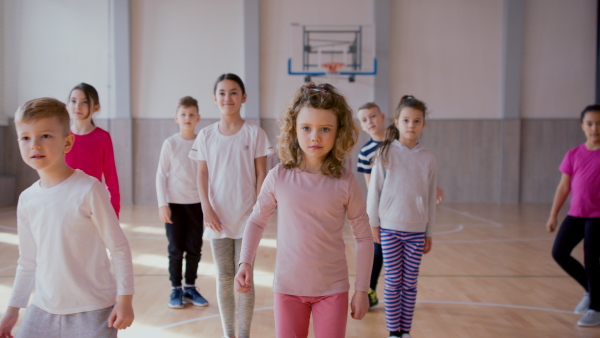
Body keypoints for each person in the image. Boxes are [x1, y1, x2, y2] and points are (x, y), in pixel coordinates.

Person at [235, 83, 374, 338]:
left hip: (333, 290)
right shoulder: (278, 177)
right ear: (294, 129)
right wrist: (245, 261)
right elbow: (256, 221)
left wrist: (362, 290)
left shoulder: (346, 182)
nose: (315, 137)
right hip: (287, 289)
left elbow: (364, 237)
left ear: (338, 132)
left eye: (325, 129)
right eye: (306, 128)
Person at [0, 98, 134, 338]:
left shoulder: (88, 189)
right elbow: (27, 261)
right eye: (25, 137)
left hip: (94, 311)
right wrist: (12, 310)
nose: (35, 145)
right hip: (42, 310)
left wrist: (124, 300)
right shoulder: (27, 199)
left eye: (45, 136)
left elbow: (119, 247)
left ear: (68, 141)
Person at [189, 73, 273, 338]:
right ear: (215, 99)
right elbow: (201, 175)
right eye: (222, 93)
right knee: (225, 278)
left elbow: (262, 174)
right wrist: (207, 207)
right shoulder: (205, 135)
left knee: (244, 278)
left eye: (234, 92)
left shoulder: (255, 133)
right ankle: (229, 333)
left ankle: (244, 333)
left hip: (248, 218)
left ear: (244, 97)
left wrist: (258, 212)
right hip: (218, 218)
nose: (228, 97)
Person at [356, 102, 444, 310]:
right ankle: (370, 289)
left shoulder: (403, 141)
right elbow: (374, 187)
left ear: (384, 117)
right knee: (378, 255)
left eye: (373, 116)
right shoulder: (369, 152)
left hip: (410, 218)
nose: (370, 122)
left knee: (404, 276)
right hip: (387, 215)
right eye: (364, 119)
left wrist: (431, 187)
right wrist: (375, 216)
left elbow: (414, 171)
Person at [546, 104, 600, 327]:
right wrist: (553, 215)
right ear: (582, 126)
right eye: (590, 124)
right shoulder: (573, 154)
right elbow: (563, 187)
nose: (594, 128)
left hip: (598, 217)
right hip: (576, 214)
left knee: (592, 260)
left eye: (599, 123)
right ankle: (591, 291)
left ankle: (596, 308)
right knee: (559, 252)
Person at [156, 96, 208, 309]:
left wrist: (209, 203)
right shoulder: (171, 143)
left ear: (198, 118)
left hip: (197, 204)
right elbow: (161, 175)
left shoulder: (203, 142)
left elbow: (208, 175)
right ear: (176, 118)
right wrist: (162, 204)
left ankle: (190, 287)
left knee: (194, 248)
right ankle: (176, 289)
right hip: (174, 204)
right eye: (183, 114)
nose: (187, 118)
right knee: (176, 248)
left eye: (191, 114)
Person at [65, 83, 121, 217]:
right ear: (67, 105)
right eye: (73, 101)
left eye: (84, 102)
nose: (77, 106)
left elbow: (111, 177)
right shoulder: (62, 136)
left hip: (92, 203)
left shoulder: (102, 137)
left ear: (96, 107)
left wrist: (114, 211)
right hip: (65, 202)